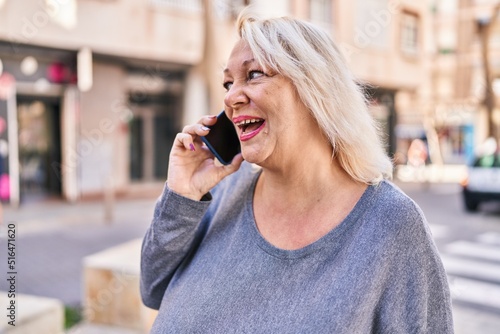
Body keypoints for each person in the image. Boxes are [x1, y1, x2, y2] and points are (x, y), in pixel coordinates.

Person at [140, 10, 454, 333]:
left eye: (254, 74)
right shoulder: (221, 193)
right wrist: (182, 195)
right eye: (228, 83)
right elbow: (152, 287)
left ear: (315, 90)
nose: (231, 97)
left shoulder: (392, 225)